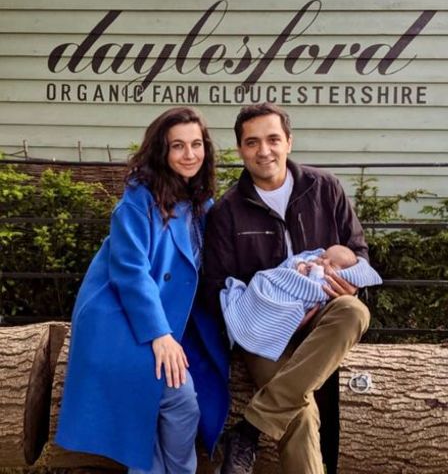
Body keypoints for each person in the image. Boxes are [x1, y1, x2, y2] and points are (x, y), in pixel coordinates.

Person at [55, 107, 229, 474]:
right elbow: (130, 271)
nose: (189, 154)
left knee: (176, 407)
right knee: (175, 399)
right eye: (178, 146)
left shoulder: (202, 204)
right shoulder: (138, 199)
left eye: (196, 144)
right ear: (161, 151)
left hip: (160, 319)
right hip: (118, 317)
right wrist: (159, 334)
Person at [203, 102, 372, 474]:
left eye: (273, 139)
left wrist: (347, 284)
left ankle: (249, 429)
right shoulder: (226, 212)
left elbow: (358, 252)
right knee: (300, 413)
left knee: (355, 311)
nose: (264, 151)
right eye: (252, 142)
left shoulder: (324, 188)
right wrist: (271, 306)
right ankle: (257, 427)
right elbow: (215, 287)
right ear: (240, 149)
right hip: (264, 330)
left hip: (322, 315)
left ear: (289, 142)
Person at [220, 245, 382, 362]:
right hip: (265, 320)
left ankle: (277, 395)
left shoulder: (333, 203)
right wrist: (299, 265)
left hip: (319, 319)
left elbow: (358, 254)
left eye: (331, 264)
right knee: (278, 378)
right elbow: (215, 278)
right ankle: (275, 397)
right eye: (323, 257)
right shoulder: (310, 260)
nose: (323, 262)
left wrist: (351, 289)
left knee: (354, 311)